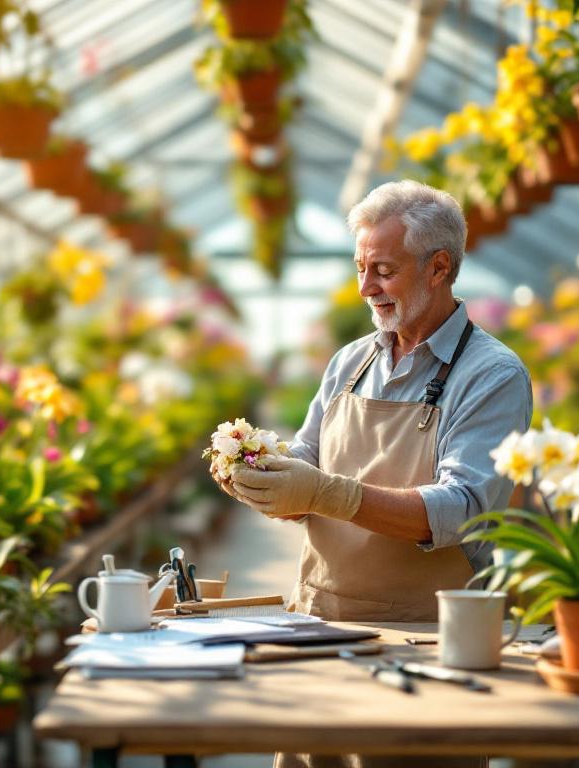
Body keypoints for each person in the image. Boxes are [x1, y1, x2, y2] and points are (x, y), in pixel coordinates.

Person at [217, 179, 533, 625]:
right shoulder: (351, 361)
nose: (366, 287)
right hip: (323, 616)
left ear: (439, 267)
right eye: (360, 268)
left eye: (383, 270)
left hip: (433, 628)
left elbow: (463, 509)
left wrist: (329, 493)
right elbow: (308, 458)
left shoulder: (492, 375)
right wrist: (260, 472)